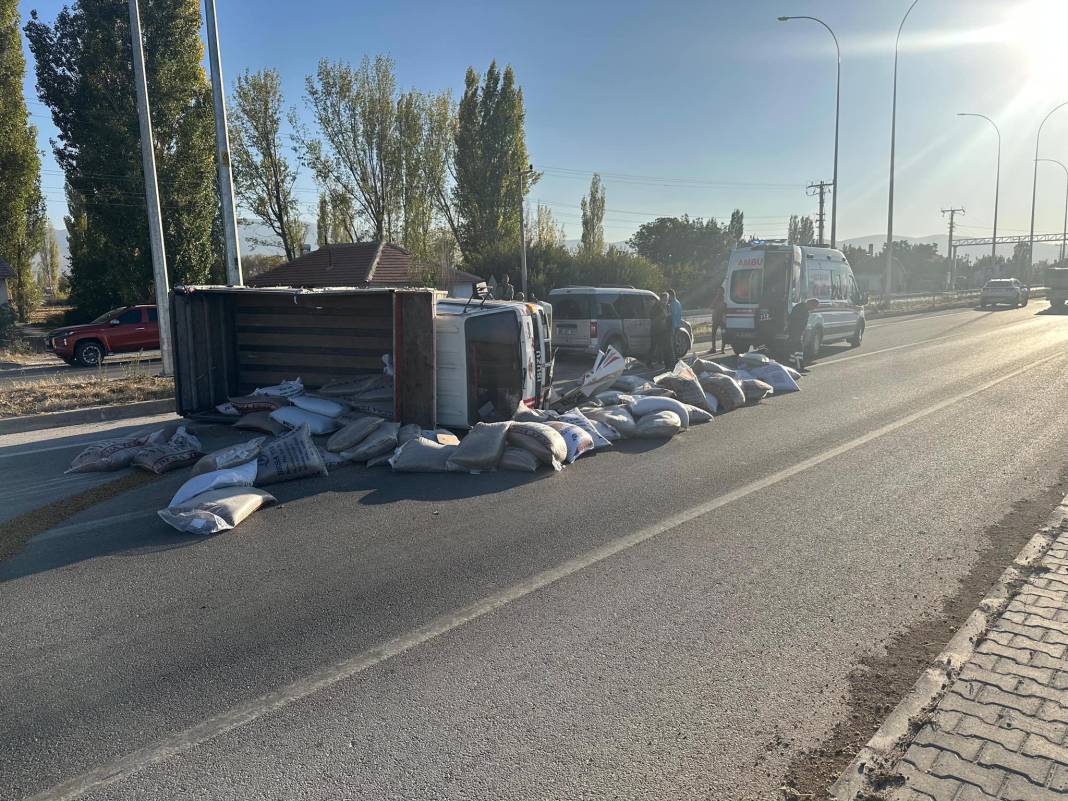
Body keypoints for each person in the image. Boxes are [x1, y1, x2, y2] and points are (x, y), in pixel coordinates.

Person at [788, 298, 821, 371]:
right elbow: (793, 321)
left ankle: (791, 365)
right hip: (795, 332)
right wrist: (795, 333)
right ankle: (800, 367)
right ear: (810, 304)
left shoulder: (803, 309)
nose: (814, 309)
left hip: (798, 332)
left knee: (794, 350)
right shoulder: (800, 308)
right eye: (814, 306)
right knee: (799, 350)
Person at [649, 292, 674, 369]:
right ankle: (649, 362)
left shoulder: (668, 307)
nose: (665, 301)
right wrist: (662, 316)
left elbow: (670, 318)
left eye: (666, 299)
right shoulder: (656, 307)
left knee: (667, 348)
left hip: (665, 331)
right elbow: (652, 318)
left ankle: (668, 365)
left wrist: (671, 329)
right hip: (656, 330)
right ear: (661, 299)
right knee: (653, 347)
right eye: (664, 299)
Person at [709, 286, 727, 354]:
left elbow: (711, 306)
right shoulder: (724, 299)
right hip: (720, 319)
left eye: (719, 291)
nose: (718, 292)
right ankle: (721, 349)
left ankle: (715, 348)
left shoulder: (719, 299)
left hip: (718, 319)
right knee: (722, 334)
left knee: (715, 334)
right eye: (718, 291)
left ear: (722, 291)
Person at [668, 289, 683, 363]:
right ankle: (675, 358)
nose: (668, 298)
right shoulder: (677, 303)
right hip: (677, 325)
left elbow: (674, 316)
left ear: (671, 295)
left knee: (673, 343)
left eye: (669, 296)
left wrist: (673, 328)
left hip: (674, 326)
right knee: (674, 342)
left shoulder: (674, 304)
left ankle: (675, 359)